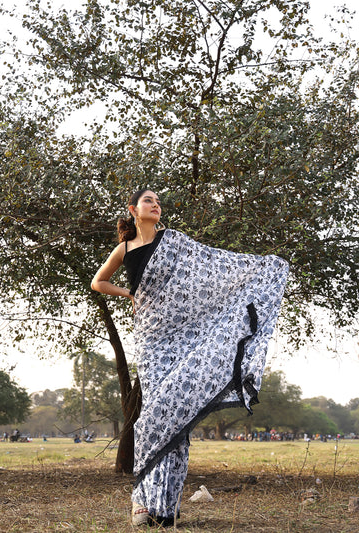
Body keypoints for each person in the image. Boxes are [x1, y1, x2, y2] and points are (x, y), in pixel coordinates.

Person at [91, 189, 289, 527]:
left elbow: (215, 267)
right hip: (152, 338)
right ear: (133, 210)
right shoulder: (124, 250)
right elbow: (98, 282)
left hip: (186, 338)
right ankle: (143, 500)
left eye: (157, 202)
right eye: (148, 201)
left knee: (177, 417)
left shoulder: (176, 242)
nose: (155, 205)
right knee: (154, 413)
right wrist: (127, 293)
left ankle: (165, 504)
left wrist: (263, 268)